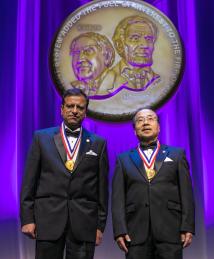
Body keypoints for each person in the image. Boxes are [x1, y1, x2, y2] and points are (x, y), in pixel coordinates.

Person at [20, 88, 109, 259]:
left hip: (84, 223)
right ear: (62, 109)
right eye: (70, 106)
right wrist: (27, 219)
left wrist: (100, 226)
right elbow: (29, 182)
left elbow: (102, 190)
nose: (74, 111)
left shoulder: (98, 143)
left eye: (80, 107)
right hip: (47, 220)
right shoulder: (41, 138)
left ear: (85, 112)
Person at [112, 108, 195, 259]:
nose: (145, 123)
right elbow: (118, 199)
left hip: (171, 230)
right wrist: (119, 230)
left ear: (159, 127)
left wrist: (187, 226)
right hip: (135, 233)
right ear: (134, 131)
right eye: (140, 120)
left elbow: (187, 193)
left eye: (150, 118)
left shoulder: (177, 155)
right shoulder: (123, 159)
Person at [98, 16, 160, 95]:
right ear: (119, 45)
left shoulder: (158, 79)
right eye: (135, 38)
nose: (145, 45)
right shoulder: (107, 80)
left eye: (148, 39)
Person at [70, 32, 115, 96]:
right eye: (76, 52)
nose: (80, 59)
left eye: (88, 51)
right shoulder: (73, 86)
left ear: (107, 56)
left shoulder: (118, 83)